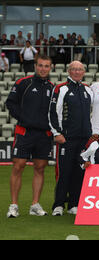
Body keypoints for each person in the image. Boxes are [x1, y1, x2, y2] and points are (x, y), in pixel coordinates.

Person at [5, 55, 54, 218]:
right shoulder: (23, 83)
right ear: (35, 66)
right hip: (24, 132)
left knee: (40, 168)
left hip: (44, 135)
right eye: (40, 65)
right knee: (18, 166)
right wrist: (24, 118)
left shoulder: (53, 88)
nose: (43, 69)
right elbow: (10, 103)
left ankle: (35, 204)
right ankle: (13, 205)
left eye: (46, 66)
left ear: (50, 68)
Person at [48, 61, 93, 216]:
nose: (77, 72)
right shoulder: (61, 88)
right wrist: (57, 133)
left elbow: (90, 113)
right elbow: (53, 112)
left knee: (79, 172)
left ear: (84, 72)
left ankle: (74, 204)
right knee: (64, 172)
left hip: (84, 140)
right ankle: (58, 204)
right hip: (67, 139)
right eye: (74, 69)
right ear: (69, 71)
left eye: (80, 69)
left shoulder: (87, 90)